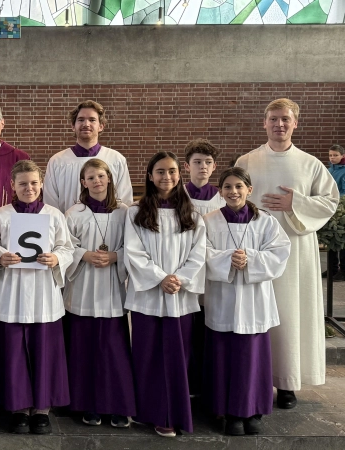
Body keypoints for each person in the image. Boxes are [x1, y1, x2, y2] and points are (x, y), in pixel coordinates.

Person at [235, 98, 338, 409]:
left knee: (290, 312)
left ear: (295, 124)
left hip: (295, 250)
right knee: (257, 313)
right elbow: (234, 197)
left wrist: (296, 204)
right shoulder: (247, 161)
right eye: (274, 119)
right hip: (255, 249)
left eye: (285, 119)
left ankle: (288, 382)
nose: (279, 124)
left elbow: (330, 201)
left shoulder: (310, 163)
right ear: (264, 123)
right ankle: (256, 379)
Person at [0, 160, 73, 435]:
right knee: (13, 351)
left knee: (44, 351)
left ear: (41, 184)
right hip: (12, 291)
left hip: (43, 292)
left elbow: (67, 248)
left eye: (34, 183)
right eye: (23, 183)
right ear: (12, 185)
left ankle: (42, 409)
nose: (29, 188)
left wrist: (56, 258)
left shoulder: (54, 215)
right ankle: (19, 408)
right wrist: (1, 256)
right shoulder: (3, 215)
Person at [203, 167, 291, 436]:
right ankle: (228, 412)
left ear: (249, 189)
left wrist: (250, 259)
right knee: (224, 356)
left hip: (255, 299)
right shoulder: (209, 221)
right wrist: (228, 259)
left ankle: (253, 411)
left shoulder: (265, 221)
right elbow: (200, 252)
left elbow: (280, 252)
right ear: (220, 191)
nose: (233, 191)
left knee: (252, 358)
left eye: (239, 186)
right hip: (223, 297)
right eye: (227, 187)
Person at [124, 151, 206, 437]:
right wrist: (160, 278)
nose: (166, 176)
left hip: (180, 296)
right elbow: (133, 252)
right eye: (160, 171)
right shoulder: (135, 213)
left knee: (176, 358)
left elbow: (199, 253)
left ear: (179, 174)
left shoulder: (192, 214)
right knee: (147, 356)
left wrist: (178, 279)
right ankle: (148, 413)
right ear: (150, 176)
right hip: (148, 295)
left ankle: (174, 414)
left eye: (171, 171)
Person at [63, 159, 135, 428]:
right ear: (83, 183)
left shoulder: (124, 213)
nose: (97, 181)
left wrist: (116, 256)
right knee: (85, 349)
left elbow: (136, 246)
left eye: (101, 176)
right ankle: (88, 404)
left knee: (114, 350)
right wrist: (83, 254)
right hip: (83, 286)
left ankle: (117, 405)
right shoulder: (74, 212)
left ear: (109, 179)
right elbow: (65, 246)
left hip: (112, 289)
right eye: (91, 178)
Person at [182, 138, 226, 398]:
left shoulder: (223, 199)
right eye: (197, 162)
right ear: (187, 166)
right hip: (186, 270)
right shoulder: (178, 197)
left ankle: (207, 385)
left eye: (208, 162)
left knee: (207, 328)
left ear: (214, 166)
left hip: (212, 273)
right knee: (188, 327)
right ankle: (188, 383)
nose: (203, 167)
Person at [44, 100, 133, 212]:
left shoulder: (116, 159)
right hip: (66, 222)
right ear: (73, 126)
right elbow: (50, 205)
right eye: (81, 120)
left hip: (110, 222)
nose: (86, 124)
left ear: (101, 126)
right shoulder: (57, 161)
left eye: (92, 120)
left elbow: (124, 201)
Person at [323, 144, 345, 280]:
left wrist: (337, 202)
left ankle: (343, 270)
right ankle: (332, 269)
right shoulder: (329, 170)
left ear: (342, 156)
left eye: (335, 155)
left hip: (341, 209)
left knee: (341, 241)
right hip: (329, 207)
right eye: (330, 155)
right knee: (330, 239)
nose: (332, 158)